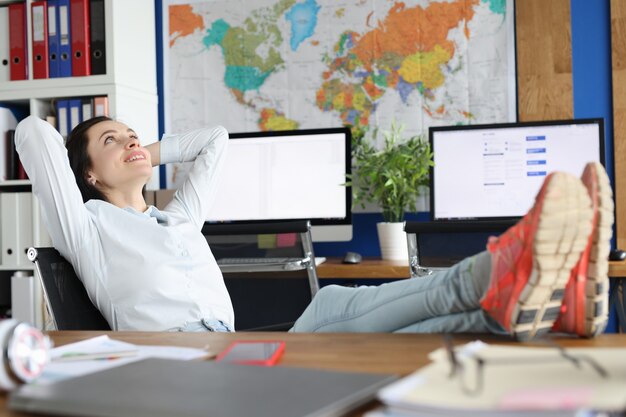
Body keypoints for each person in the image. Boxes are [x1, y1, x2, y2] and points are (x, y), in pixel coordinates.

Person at [15, 115, 614, 340]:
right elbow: (32, 135)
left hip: (233, 343)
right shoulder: (87, 226)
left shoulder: (176, 216)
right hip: (191, 360)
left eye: (131, 134)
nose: (129, 142)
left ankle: (540, 304)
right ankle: (512, 261)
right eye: (110, 142)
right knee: (354, 318)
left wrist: (147, 148)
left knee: (340, 306)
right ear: (87, 175)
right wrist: (106, 156)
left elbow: (217, 141)